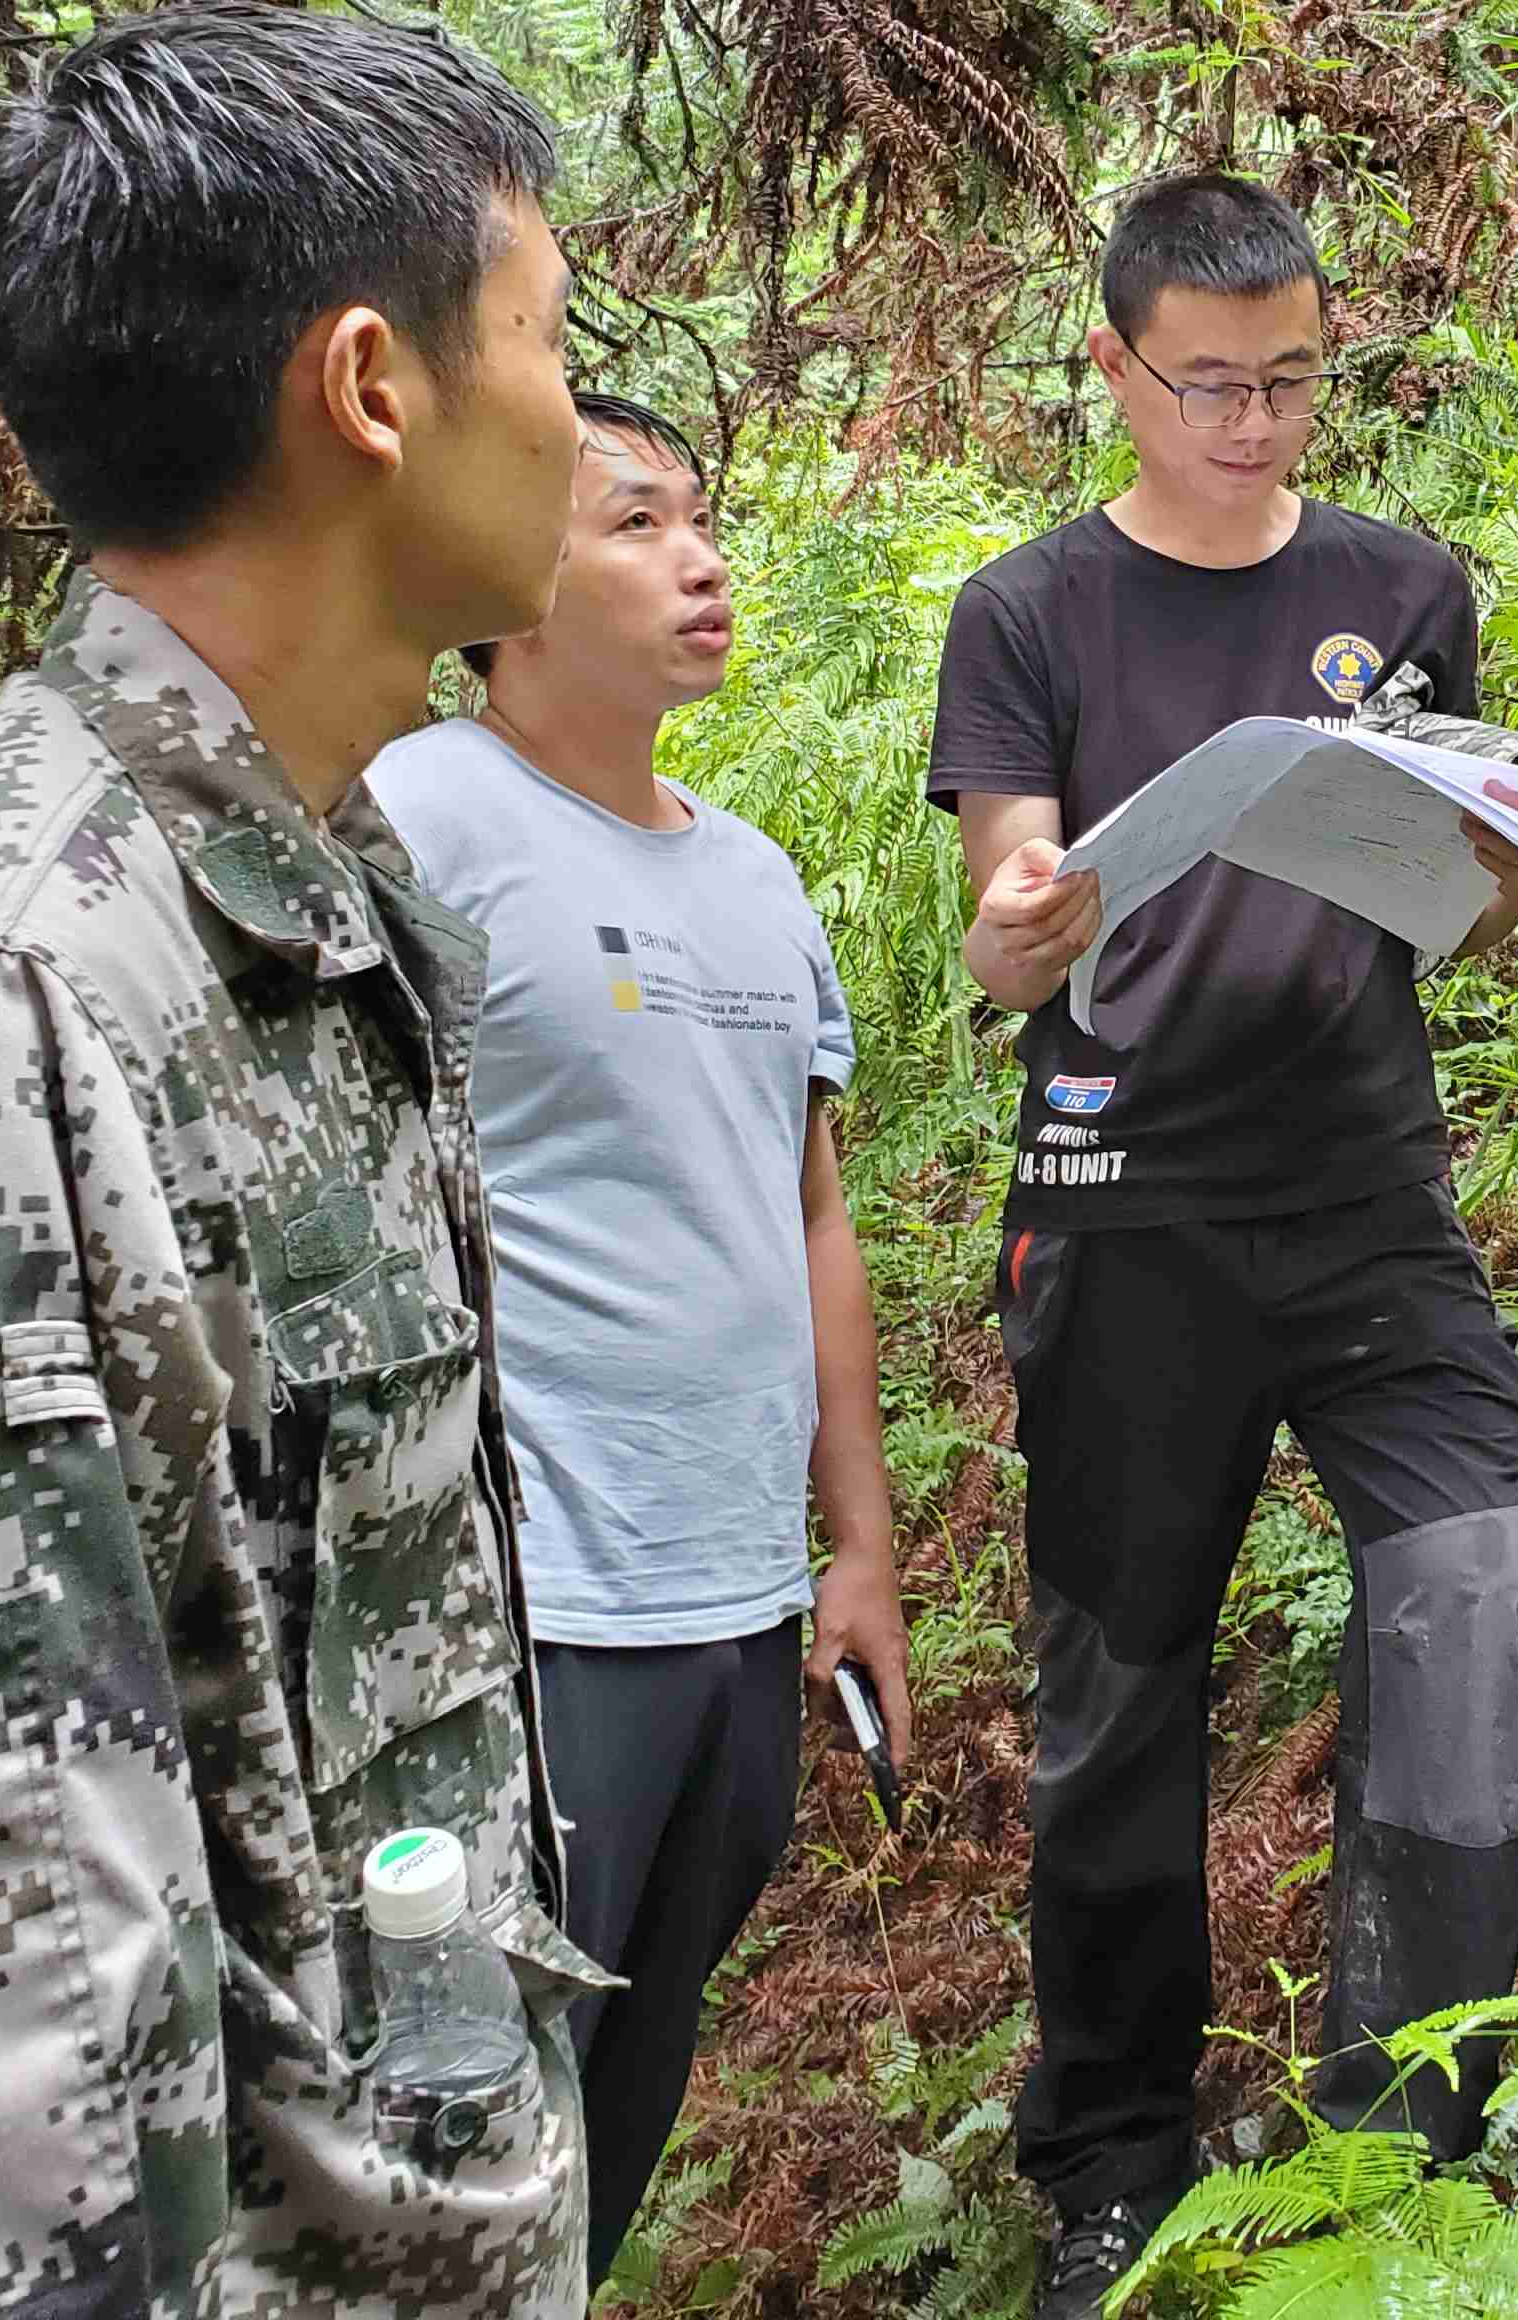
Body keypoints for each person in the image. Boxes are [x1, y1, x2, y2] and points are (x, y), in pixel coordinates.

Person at [0, 3, 608, 2315]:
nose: (581, 420)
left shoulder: (291, 894)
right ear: (374, 388)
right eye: (553, 342)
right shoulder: (9, 986)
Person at [927, 175, 1518, 2318]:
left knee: (1470, 1570)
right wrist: (1031, 922)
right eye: (1212, 384)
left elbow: (1465, 918)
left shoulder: (1404, 587)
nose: (1258, 423)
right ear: (1116, 369)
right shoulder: (1034, 614)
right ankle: (1110, 2156)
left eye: (1295, 378)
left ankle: (1415, 2112)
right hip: (1130, 1209)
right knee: (1125, 1690)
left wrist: (1504, 867)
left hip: (1368, 1196)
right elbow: (1012, 917)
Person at [367, 391, 910, 2291]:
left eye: (705, 520)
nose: (701, 557)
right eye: (635, 524)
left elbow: (809, 1213)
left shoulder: (758, 877)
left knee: (633, 2088)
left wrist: (859, 1550)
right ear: (512, 583)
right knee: (478, 2113)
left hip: (738, 1598)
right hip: (531, 1604)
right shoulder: (419, 812)